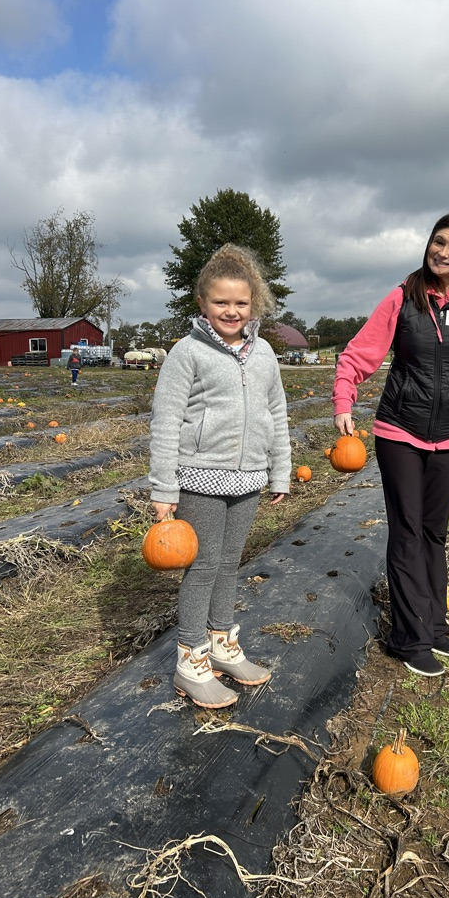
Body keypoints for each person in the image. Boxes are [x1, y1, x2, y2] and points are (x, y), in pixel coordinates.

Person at [332, 211, 449, 678]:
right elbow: (360, 352)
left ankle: (435, 625)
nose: (443, 252)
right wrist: (344, 396)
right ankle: (409, 638)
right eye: (439, 242)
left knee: (435, 531)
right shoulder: (403, 297)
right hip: (399, 430)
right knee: (408, 531)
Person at [148, 244, 291, 708]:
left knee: (230, 564)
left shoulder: (264, 353)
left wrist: (280, 470)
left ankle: (221, 644)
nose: (232, 311)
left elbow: (276, 413)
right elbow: (166, 421)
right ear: (202, 303)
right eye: (221, 302)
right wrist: (164, 486)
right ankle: (191, 658)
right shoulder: (188, 353)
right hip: (200, 477)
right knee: (203, 565)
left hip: (248, 479)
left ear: (254, 304)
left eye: (241, 302)